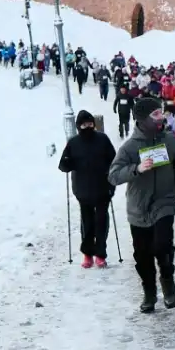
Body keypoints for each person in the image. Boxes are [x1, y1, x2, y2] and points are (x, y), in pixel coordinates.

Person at [109, 98, 175, 313]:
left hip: (165, 201)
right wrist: (136, 168)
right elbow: (113, 175)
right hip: (138, 207)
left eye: (161, 113)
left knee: (162, 245)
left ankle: (167, 281)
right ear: (142, 119)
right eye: (156, 114)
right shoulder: (129, 147)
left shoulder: (168, 139)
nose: (161, 117)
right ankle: (149, 291)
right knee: (143, 254)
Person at [58, 110, 117, 268]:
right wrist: (66, 163)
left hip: (103, 189)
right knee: (87, 222)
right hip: (83, 191)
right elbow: (63, 165)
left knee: (101, 222)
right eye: (84, 125)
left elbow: (114, 160)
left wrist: (112, 182)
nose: (87, 127)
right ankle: (87, 254)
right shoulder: (73, 143)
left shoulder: (102, 139)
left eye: (90, 124)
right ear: (78, 126)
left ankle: (100, 254)